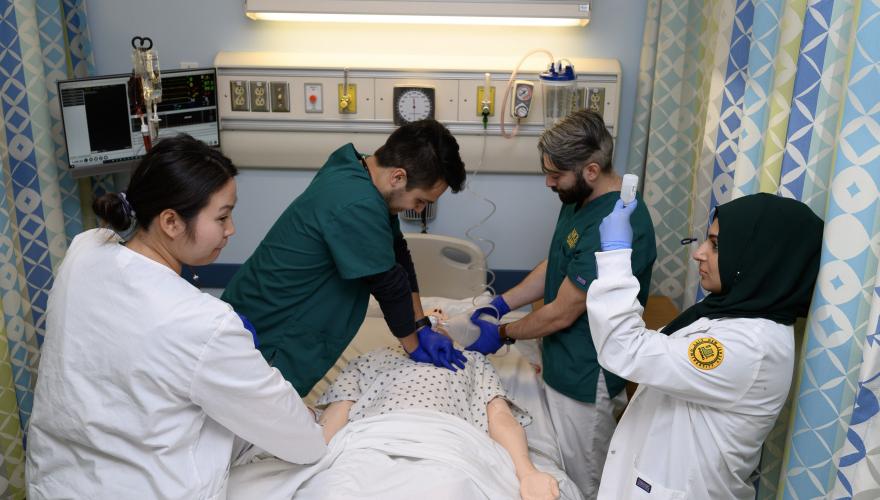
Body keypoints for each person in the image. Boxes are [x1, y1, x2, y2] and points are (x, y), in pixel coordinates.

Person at [26, 135, 326, 499]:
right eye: (222, 216)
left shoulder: (84, 252)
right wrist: (325, 416)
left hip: (56, 486)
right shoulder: (204, 323)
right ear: (171, 222)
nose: (231, 229)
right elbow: (305, 444)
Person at [465, 110, 657, 498]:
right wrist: (501, 302)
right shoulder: (578, 200)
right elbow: (558, 262)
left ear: (590, 170)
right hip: (560, 359)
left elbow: (562, 311)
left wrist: (502, 334)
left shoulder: (618, 223)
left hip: (587, 374)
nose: (549, 182)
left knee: (584, 482)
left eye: (556, 175)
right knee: (555, 469)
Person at [587, 193, 823, 499]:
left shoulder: (750, 348)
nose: (699, 253)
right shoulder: (729, 314)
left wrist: (616, 257)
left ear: (759, 257)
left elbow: (626, 348)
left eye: (716, 245)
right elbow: (652, 350)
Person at [222, 119, 468, 397]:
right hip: (268, 334)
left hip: (267, 316)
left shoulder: (357, 168)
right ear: (398, 177)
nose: (419, 209)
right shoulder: (357, 203)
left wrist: (421, 325)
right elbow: (389, 285)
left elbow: (398, 253)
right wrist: (414, 347)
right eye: (421, 201)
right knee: (251, 422)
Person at [318, 347, 561, 500]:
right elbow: (339, 409)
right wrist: (314, 461)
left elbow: (500, 417)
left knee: (448, 489)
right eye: (423, 318)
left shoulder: (471, 360)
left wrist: (528, 473)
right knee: (340, 488)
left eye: (439, 316)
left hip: (446, 442)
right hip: (371, 439)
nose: (432, 320)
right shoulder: (373, 357)